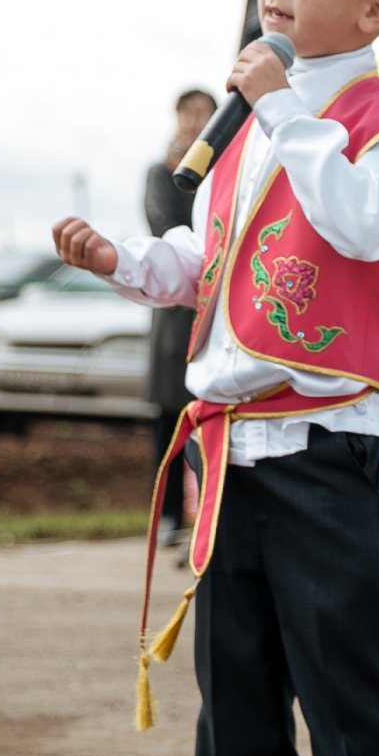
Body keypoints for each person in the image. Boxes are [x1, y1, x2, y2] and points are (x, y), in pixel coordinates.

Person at [53, 0, 379, 756]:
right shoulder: (244, 131)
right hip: (227, 452)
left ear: (374, 8)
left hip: (319, 446)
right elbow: (209, 259)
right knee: (235, 695)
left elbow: (359, 226)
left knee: (348, 697)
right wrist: (122, 259)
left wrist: (279, 106)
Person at [144, 87, 217, 540]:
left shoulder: (226, 165)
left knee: (209, 419)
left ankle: (207, 513)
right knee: (168, 420)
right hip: (175, 311)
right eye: (186, 113)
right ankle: (168, 518)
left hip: (214, 309)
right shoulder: (161, 172)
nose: (193, 121)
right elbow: (165, 227)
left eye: (203, 114)